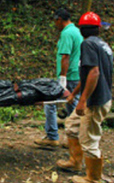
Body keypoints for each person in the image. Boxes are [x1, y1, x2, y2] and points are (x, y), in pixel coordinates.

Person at [56, 12, 113, 183]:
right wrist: (74, 95)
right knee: (72, 125)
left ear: (82, 29)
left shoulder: (88, 44)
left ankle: (93, 179)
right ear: (97, 29)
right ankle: (75, 162)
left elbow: (94, 73)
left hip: (95, 100)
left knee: (89, 139)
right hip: (96, 97)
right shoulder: (101, 44)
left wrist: (83, 101)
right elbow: (88, 73)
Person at [34, 8, 83, 147]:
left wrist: (62, 77)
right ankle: (74, 138)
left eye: (55, 21)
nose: (55, 24)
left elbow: (65, 56)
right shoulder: (77, 31)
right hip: (76, 73)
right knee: (72, 105)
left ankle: (53, 136)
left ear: (59, 19)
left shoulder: (67, 33)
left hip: (69, 75)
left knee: (51, 103)